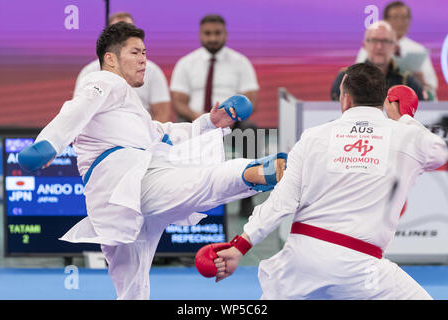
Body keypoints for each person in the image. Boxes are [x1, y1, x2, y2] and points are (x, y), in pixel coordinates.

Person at [18, 22, 287, 300]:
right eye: (135, 52)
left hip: (120, 202)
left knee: (132, 291)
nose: (144, 59)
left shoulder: (129, 108)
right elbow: (76, 110)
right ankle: (255, 171)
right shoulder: (104, 82)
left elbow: (163, 134)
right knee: (199, 183)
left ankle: (253, 173)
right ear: (110, 59)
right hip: (130, 183)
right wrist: (48, 143)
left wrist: (209, 122)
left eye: (145, 52)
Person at [212, 63, 448, 299]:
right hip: (361, 268)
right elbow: (440, 152)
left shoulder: (313, 137)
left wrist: (240, 245)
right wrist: (404, 119)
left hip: (301, 262)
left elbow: (281, 201)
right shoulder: (408, 137)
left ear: (345, 100)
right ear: (382, 100)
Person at [170, 14, 260, 217]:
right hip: (195, 120)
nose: (212, 38)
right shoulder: (187, 63)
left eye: (217, 33)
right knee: (177, 128)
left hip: (232, 122)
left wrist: (228, 118)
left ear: (225, 34)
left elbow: (252, 99)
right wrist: (204, 120)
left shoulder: (240, 62)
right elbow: (178, 101)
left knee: (251, 132)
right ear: (201, 35)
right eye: (208, 33)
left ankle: (248, 196)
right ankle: (181, 194)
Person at [74, 12, 171, 123]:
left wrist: (151, 137)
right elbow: (75, 117)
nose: (142, 60)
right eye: (134, 53)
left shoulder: (149, 74)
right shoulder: (89, 75)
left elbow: (161, 115)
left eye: (143, 53)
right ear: (110, 59)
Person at [356, 1, 438, 100]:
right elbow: (356, 78)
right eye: (395, 17)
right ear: (386, 20)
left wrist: (421, 83)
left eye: (404, 17)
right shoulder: (370, 46)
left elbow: (431, 88)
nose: (400, 22)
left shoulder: (418, 50)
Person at [331, 21, 424, 102]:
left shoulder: (407, 81)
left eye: (385, 41)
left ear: (395, 48)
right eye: (374, 40)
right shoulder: (346, 78)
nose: (379, 46)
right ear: (364, 45)